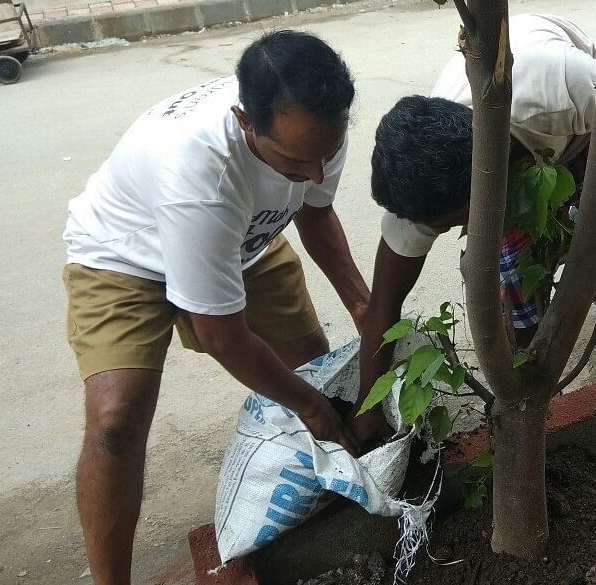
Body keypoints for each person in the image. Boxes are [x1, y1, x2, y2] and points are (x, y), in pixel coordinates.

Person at [61, 31, 368, 584]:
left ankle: (312, 513)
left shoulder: (314, 125)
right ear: (246, 122)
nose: (317, 173)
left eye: (326, 153)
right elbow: (222, 335)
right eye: (298, 160)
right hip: (127, 255)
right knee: (117, 422)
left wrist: (365, 309)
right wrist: (313, 410)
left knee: (314, 369)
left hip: (245, 237)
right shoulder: (197, 173)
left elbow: (316, 212)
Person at [351, 13, 596, 449]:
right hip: (521, 165)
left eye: (457, 220)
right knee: (520, 294)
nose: (456, 231)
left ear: (486, 179)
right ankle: (534, 395)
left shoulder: (562, 84)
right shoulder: (417, 199)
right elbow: (383, 307)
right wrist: (366, 410)